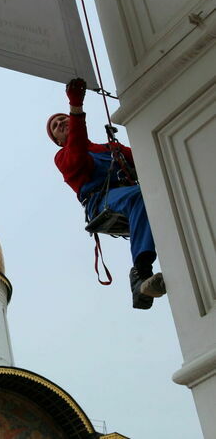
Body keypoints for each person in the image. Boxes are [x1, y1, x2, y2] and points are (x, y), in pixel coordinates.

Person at [47, 78, 166, 309]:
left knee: (153, 193)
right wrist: (75, 108)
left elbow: (147, 156)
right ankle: (142, 272)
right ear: (58, 142)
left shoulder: (112, 149)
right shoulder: (63, 158)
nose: (61, 123)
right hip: (101, 202)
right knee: (140, 196)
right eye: (55, 126)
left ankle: (142, 284)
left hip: (129, 195)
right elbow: (79, 149)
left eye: (63, 119)